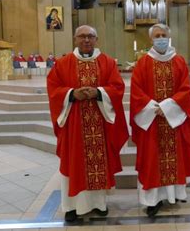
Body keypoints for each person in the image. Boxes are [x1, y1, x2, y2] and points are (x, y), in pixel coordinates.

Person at [47, 25, 129, 222]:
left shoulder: (107, 63)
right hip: (74, 125)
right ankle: (71, 206)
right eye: (82, 36)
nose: (86, 40)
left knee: (98, 163)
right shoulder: (63, 63)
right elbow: (53, 89)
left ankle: (99, 204)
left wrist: (99, 92)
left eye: (90, 36)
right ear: (75, 39)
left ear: (96, 39)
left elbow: (117, 87)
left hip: (100, 124)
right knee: (73, 162)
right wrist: (71, 94)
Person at [130, 23, 190, 217]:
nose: (160, 38)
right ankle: (152, 200)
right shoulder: (143, 63)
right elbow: (136, 92)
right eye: (157, 35)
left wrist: (167, 107)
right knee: (153, 160)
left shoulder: (179, 62)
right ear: (151, 39)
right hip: (152, 121)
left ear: (168, 37)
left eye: (163, 35)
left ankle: (174, 195)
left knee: (174, 158)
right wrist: (156, 108)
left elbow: (185, 90)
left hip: (173, 121)